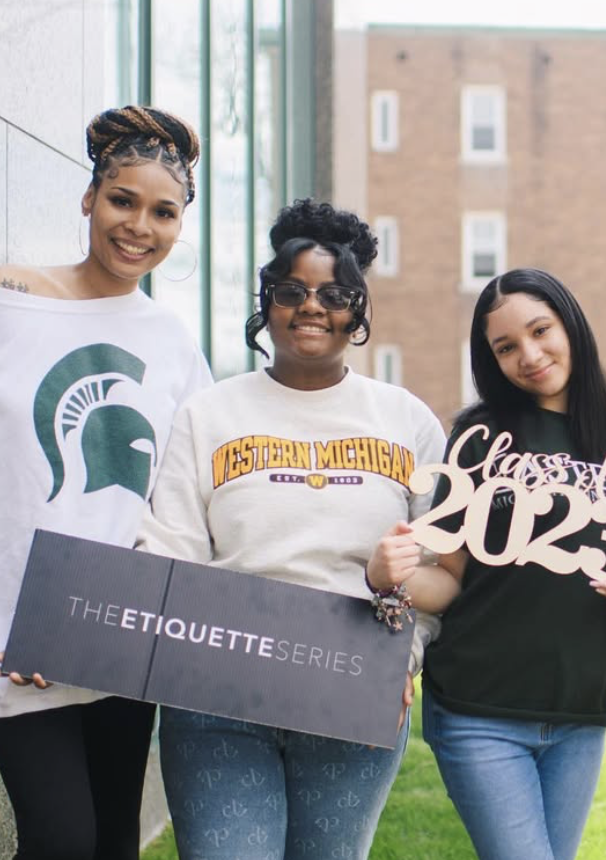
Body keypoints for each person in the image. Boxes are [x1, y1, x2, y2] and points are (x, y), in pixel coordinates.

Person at [135, 198, 458, 860]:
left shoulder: (409, 421)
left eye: (334, 293)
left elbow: (441, 570)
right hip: (219, 695)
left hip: (353, 690)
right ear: (268, 301)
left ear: (358, 307)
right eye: (292, 291)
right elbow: (169, 556)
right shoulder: (209, 415)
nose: (312, 306)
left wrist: (406, 654)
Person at [0, 104, 209, 860]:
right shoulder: (11, 300)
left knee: (115, 843)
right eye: (124, 200)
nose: (139, 227)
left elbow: (186, 495)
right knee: (62, 841)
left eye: (165, 212)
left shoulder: (173, 343)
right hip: (15, 635)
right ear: (89, 198)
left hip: (118, 638)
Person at [417, 267, 606, 860]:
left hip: (581, 712)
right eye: (506, 347)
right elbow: (447, 576)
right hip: (478, 707)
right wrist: (390, 575)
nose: (529, 355)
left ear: (570, 325)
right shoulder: (478, 437)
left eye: (540, 331)